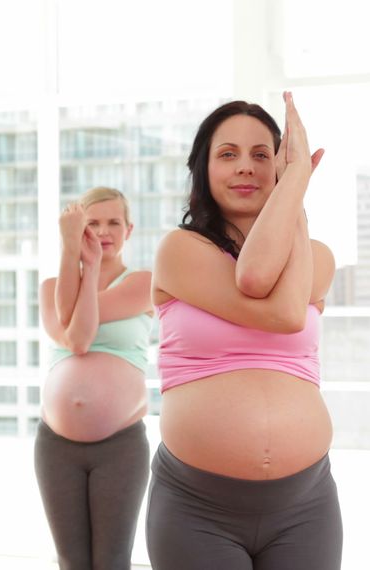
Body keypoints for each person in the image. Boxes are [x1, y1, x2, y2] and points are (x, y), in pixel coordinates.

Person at [145, 92, 340, 570]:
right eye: (227, 154)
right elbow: (275, 307)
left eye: (261, 155)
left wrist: (292, 191)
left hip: (307, 506)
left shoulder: (320, 256)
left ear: (280, 165)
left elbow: (277, 295)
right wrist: (294, 183)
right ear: (203, 169)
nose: (245, 168)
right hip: (197, 509)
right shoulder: (179, 250)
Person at [35, 186, 153, 570]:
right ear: (76, 232)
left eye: (113, 222)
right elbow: (75, 334)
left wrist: (91, 267)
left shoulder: (143, 284)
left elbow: (79, 338)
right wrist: (74, 256)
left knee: (112, 562)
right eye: (92, 224)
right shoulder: (51, 289)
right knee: (71, 563)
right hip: (56, 446)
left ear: (129, 229)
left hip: (119, 446)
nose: (104, 231)